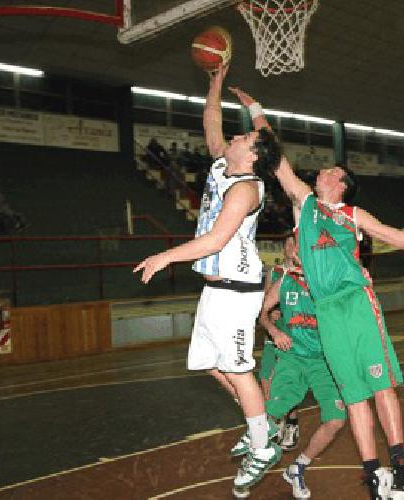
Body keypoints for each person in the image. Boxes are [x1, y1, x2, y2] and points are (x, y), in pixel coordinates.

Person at [229, 86, 404, 500]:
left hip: (356, 303)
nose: (320, 173)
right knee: (355, 396)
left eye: (329, 171)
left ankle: (400, 467)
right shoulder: (303, 204)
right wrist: (255, 110)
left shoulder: (352, 215)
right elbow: (275, 154)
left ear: (341, 183)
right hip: (327, 312)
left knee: (380, 388)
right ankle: (371, 472)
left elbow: (401, 238)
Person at [133, 64, 282, 498]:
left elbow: (215, 239)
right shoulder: (222, 168)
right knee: (209, 364)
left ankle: (262, 446)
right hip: (215, 288)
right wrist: (214, 85)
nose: (234, 138)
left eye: (244, 138)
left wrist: (164, 256)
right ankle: (261, 425)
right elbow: (212, 125)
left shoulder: (247, 189)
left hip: (238, 291)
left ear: (252, 154)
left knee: (239, 370)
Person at [256, 242, 347, 499]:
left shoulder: (326, 282)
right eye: (292, 246)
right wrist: (273, 329)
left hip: (323, 359)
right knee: (271, 401)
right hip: (290, 351)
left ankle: (298, 466)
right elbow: (262, 310)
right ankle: (256, 453)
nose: (296, 250)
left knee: (336, 420)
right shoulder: (281, 277)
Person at [255, 233, 302, 452]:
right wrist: (271, 311)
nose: (292, 247)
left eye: (296, 243)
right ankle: (275, 422)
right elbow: (264, 303)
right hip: (273, 334)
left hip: (294, 335)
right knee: (266, 380)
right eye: (288, 244)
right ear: (283, 249)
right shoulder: (274, 273)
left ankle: (291, 422)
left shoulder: (304, 274)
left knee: (287, 380)